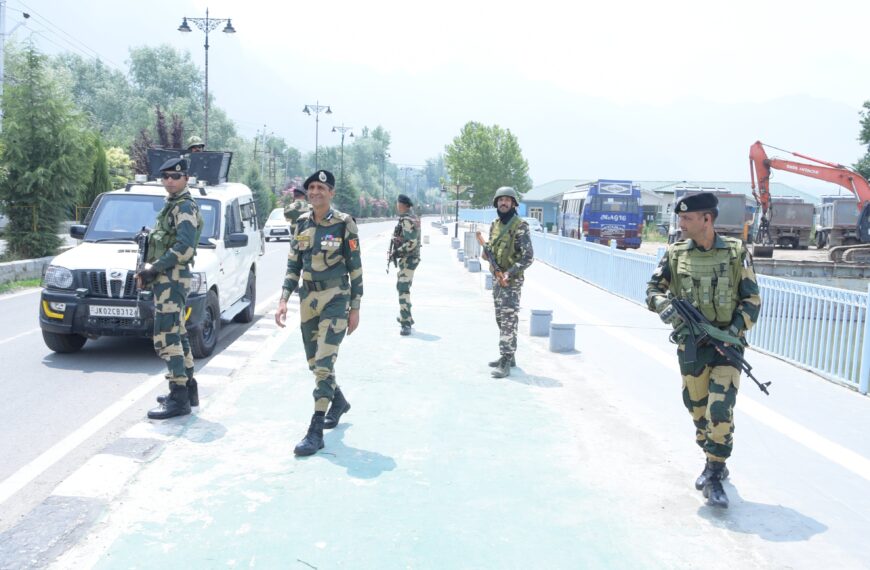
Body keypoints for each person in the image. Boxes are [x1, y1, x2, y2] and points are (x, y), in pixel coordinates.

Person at [646, 192, 761, 508]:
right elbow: (653, 290)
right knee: (698, 410)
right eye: (680, 218)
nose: (680, 224)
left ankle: (714, 471)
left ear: (706, 219)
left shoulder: (737, 253)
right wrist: (662, 305)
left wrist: (733, 333)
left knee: (720, 409)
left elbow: (752, 301)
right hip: (691, 347)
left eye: (686, 218)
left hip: (726, 347)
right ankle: (713, 455)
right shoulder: (675, 253)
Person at [275, 169, 363, 456]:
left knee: (324, 363)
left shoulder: (343, 224)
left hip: (337, 297)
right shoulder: (301, 223)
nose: (315, 192)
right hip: (308, 297)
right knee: (314, 362)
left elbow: (355, 268)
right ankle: (337, 401)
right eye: (311, 187)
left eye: (321, 188)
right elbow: (293, 265)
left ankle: (315, 430)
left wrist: (355, 307)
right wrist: (284, 299)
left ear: (331, 193)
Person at [135, 157, 204, 420]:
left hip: (171, 279)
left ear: (186, 178)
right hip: (169, 278)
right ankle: (188, 388)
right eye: (165, 177)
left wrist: (154, 268)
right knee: (179, 333)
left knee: (166, 336)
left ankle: (178, 398)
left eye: (175, 177)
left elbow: (184, 247)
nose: (169, 181)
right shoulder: (172, 206)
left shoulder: (184, 207)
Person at [484, 186, 534, 379]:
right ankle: (509, 355)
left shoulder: (520, 226)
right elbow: (490, 249)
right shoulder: (495, 224)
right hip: (497, 279)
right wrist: (487, 255)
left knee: (508, 321)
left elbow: (528, 256)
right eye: (500, 200)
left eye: (507, 200)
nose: (503, 203)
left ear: (514, 204)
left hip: (511, 282)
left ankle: (505, 360)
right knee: (500, 317)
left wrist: (509, 272)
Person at [391, 194, 421, 336]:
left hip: (409, 259)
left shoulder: (407, 220)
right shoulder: (411, 217)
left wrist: (397, 251)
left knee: (403, 288)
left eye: (398, 204)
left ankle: (406, 324)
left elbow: (411, 242)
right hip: (410, 259)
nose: (397, 206)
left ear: (402, 205)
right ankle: (406, 316)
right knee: (403, 287)